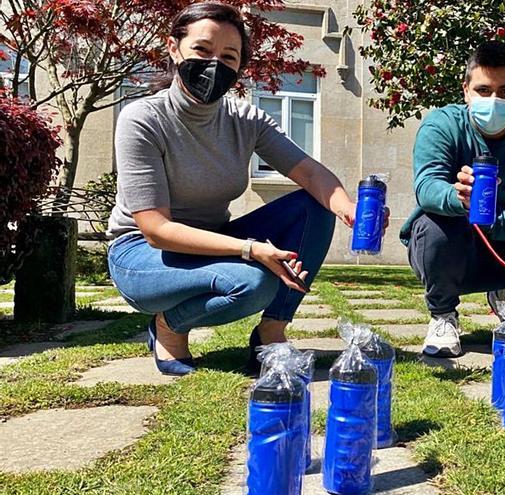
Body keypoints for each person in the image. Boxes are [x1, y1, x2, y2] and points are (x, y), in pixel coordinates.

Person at [107, 2, 385, 376]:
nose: (214, 65)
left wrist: (347, 208)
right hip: (143, 255)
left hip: (212, 240)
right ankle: (168, 327)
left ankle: (271, 332)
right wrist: (250, 249)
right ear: (174, 48)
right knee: (253, 283)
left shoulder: (246, 119)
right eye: (202, 50)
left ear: (240, 67)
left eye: (228, 57)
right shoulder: (142, 119)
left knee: (316, 207)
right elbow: (156, 230)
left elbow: (312, 174)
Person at [400, 40, 505, 357]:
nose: (494, 100)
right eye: (483, 90)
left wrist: (494, 219)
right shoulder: (442, 124)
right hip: (451, 245)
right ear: (466, 90)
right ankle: (443, 315)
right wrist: (457, 197)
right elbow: (426, 186)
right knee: (435, 227)